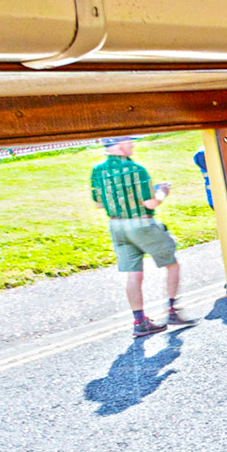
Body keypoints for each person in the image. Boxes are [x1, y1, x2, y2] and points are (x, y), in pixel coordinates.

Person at [89, 137, 188, 337]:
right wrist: (161, 192)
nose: (132, 145)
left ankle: (139, 320)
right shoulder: (136, 169)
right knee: (171, 264)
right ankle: (172, 310)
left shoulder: (97, 171)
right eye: (129, 142)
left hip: (116, 225)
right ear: (119, 146)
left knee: (134, 273)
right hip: (141, 223)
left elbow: (99, 203)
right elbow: (151, 203)